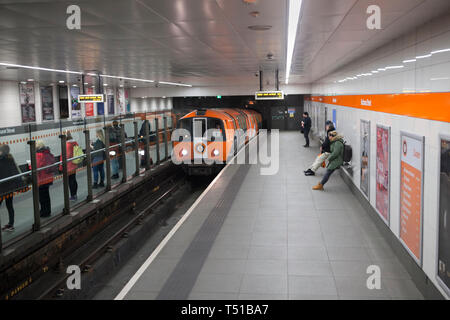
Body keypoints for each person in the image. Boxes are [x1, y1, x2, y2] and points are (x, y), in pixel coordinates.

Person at [0, 145, 23, 232]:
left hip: (2, 188)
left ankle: (10, 224)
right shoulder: (10, 158)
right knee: (9, 205)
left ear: (2, 151)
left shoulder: (1, 160)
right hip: (10, 187)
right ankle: (11, 224)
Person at [36, 140, 55, 217]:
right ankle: (48, 210)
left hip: (41, 179)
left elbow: (37, 166)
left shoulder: (38, 154)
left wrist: (30, 166)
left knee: (41, 196)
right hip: (48, 177)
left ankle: (44, 211)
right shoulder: (47, 152)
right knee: (46, 195)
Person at [65, 132, 79, 201]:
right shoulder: (74, 143)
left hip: (68, 165)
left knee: (70, 181)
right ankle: (75, 194)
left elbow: (67, 155)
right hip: (74, 163)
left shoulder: (67, 144)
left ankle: (73, 196)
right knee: (73, 179)